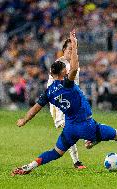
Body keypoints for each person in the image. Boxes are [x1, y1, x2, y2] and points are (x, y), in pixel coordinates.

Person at [11, 30, 117, 176]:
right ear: (63, 73)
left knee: (56, 152)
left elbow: (35, 108)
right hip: (86, 125)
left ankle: (29, 166)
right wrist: (75, 46)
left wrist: (24, 120)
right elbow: (74, 68)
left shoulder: (48, 92)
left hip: (70, 128)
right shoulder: (67, 84)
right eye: (65, 70)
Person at [47, 37, 85, 169]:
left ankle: (78, 159)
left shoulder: (75, 65)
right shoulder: (59, 65)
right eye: (70, 48)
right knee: (68, 128)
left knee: (73, 127)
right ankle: (77, 160)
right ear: (64, 50)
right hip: (58, 102)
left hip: (71, 101)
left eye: (74, 48)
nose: (72, 51)